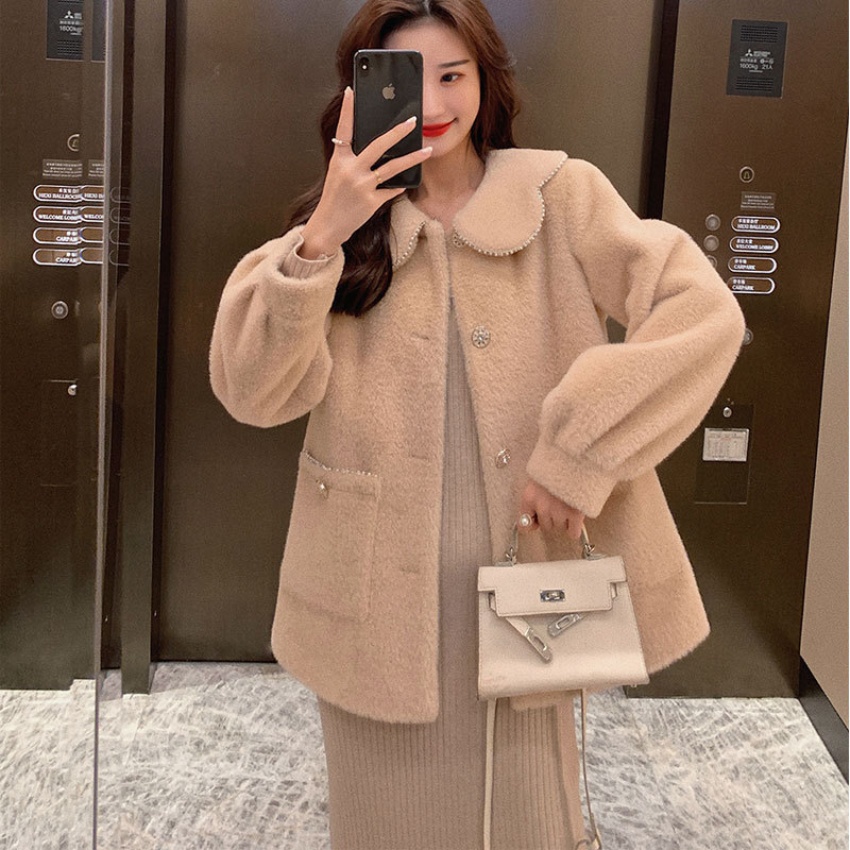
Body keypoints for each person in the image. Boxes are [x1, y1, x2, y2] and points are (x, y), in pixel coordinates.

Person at [209, 0, 745, 847]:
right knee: (383, 816)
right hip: (371, 586)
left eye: (452, 75)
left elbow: (703, 313)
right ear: (360, 94)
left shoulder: (560, 196)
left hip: (526, 566)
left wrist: (578, 454)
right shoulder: (335, 232)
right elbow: (252, 392)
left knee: (527, 809)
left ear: (487, 81)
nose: (432, 104)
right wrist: (322, 236)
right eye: (406, 80)